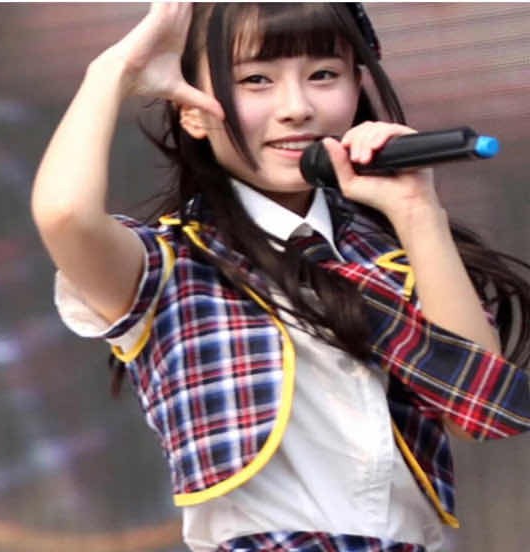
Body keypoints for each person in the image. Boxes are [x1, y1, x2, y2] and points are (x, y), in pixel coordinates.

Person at [31, 3, 530, 551]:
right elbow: (65, 215)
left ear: (356, 88)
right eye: (256, 80)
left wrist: (416, 211)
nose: (297, 108)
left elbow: (479, 411)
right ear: (192, 111)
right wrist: (116, 70)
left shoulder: (392, 258)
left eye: (324, 75)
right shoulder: (169, 265)